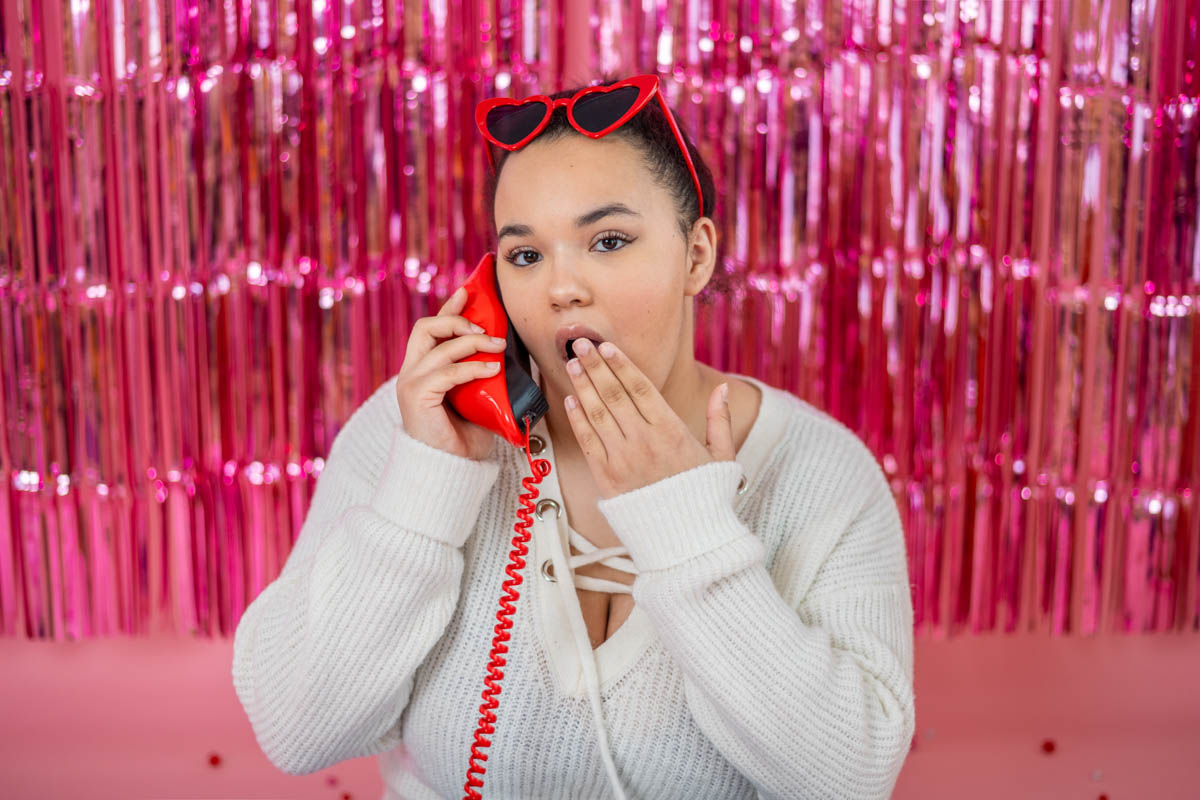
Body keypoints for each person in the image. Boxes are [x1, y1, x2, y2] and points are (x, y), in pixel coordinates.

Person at [232, 73, 915, 800]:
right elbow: (298, 732)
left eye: (608, 240)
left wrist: (686, 528)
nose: (563, 289)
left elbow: (851, 779)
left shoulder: (822, 470)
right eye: (526, 255)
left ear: (696, 256)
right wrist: (427, 486)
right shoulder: (416, 429)